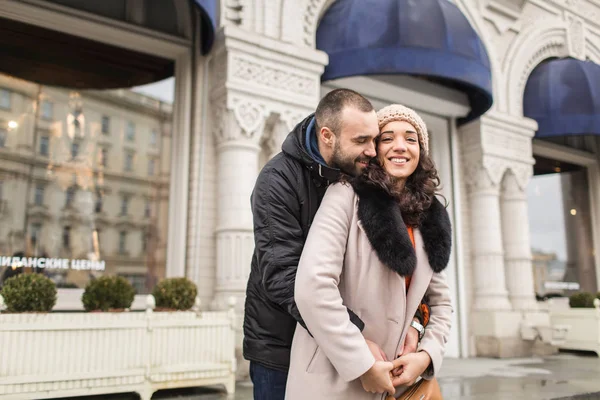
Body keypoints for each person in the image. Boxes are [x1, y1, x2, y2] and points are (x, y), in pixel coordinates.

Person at [243, 90, 429, 400]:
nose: (371, 151)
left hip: (342, 339)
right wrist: (356, 335)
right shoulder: (278, 181)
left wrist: (416, 325)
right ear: (328, 136)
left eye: (374, 139)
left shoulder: (357, 171)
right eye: (361, 141)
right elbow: (283, 275)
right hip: (281, 343)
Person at [286, 104, 453, 399]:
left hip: (399, 384)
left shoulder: (428, 215)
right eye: (387, 138)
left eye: (411, 138)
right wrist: (361, 363)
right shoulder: (345, 195)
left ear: (421, 151)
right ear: (373, 148)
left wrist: (426, 356)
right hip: (334, 378)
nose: (400, 146)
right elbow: (313, 288)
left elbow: (441, 303)